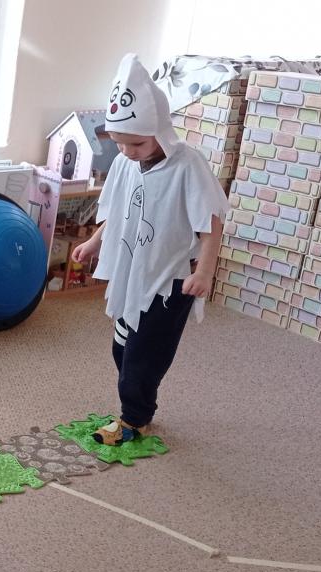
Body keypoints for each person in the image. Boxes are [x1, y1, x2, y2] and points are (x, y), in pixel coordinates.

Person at [71, 54, 229, 446]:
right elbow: (120, 212)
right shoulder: (126, 164)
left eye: (137, 143)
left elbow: (210, 222)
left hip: (170, 278)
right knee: (122, 348)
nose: (127, 152)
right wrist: (94, 241)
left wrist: (204, 271)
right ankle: (139, 405)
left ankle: (134, 419)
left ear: (160, 130)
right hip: (133, 273)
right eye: (119, 144)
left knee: (144, 354)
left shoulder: (187, 166)